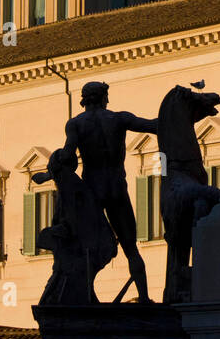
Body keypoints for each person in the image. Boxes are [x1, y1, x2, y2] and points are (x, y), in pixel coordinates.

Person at [61, 81, 159, 303]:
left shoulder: (76, 124)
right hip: (115, 187)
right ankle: (144, 297)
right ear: (104, 98)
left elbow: (68, 155)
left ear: (85, 100)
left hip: (92, 190)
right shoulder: (119, 119)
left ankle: (84, 296)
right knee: (130, 247)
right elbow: (153, 125)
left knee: (86, 247)